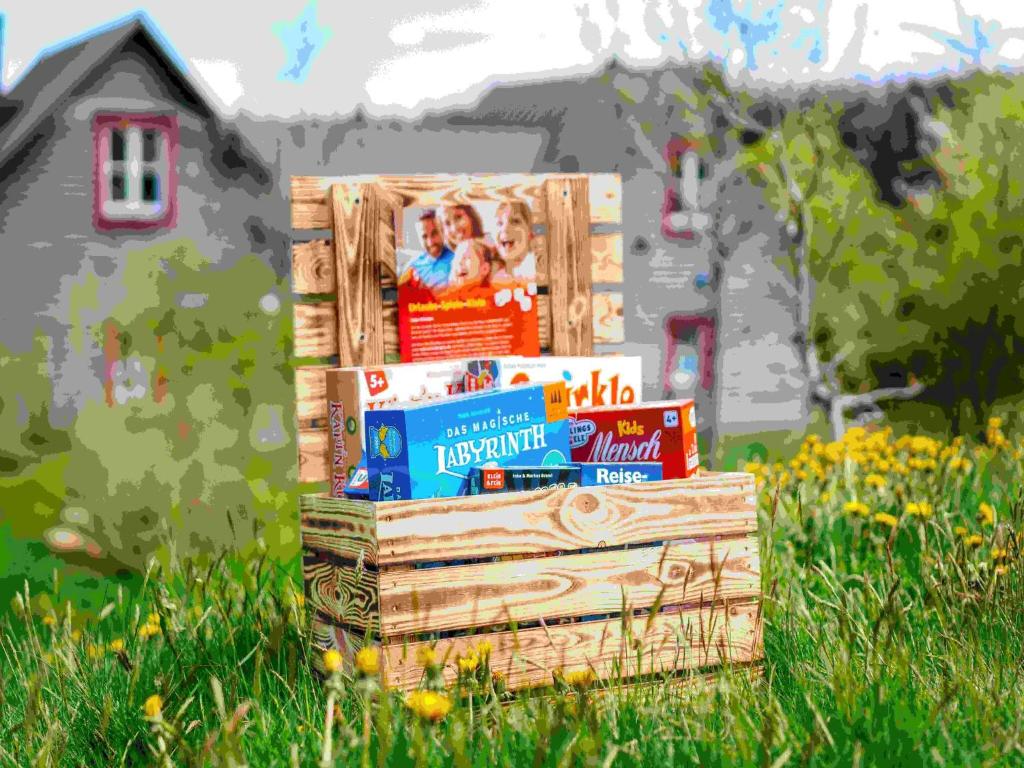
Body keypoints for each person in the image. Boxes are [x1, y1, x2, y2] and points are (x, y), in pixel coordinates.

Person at [398, 210, 455, 294]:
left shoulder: (458, 261)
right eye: (424, 236)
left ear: (442, 231)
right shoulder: (412, 266)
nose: (430, 242)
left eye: (434, 233)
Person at [494, 200, 537, 281]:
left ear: (530, 234)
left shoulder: (535, 270)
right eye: (500, 223)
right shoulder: (492, 273)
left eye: (515, 221)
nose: (505, 228)